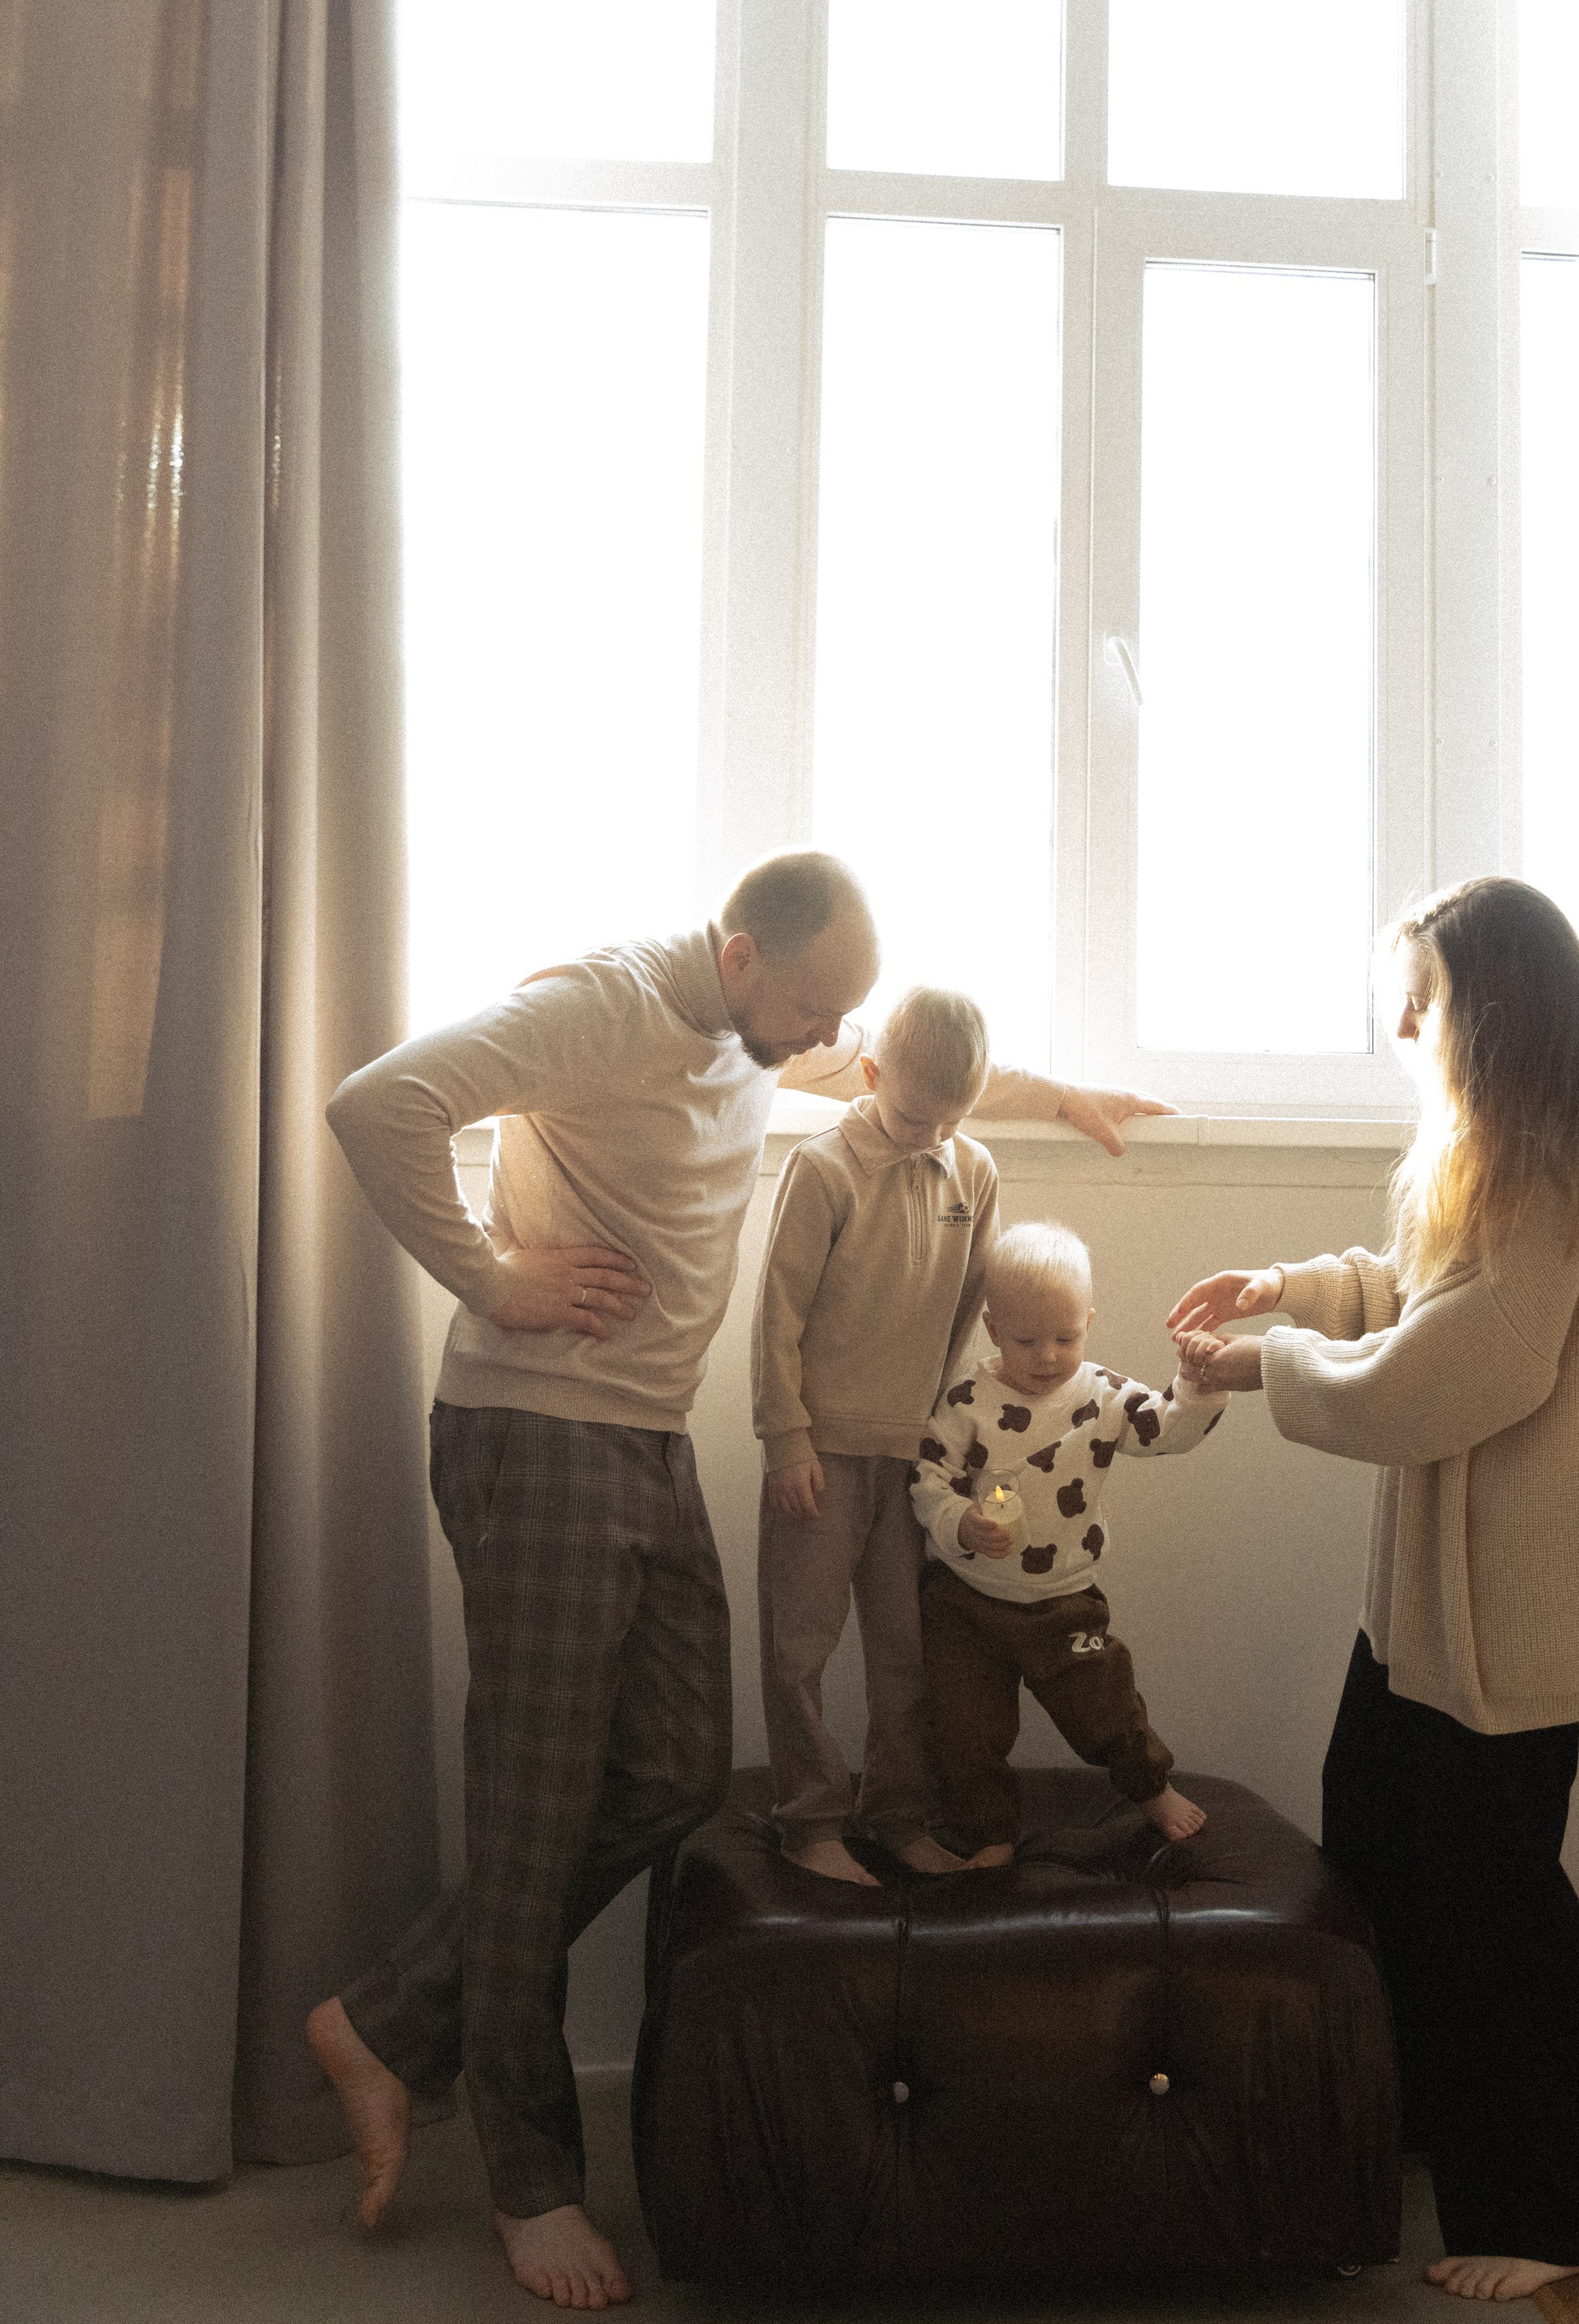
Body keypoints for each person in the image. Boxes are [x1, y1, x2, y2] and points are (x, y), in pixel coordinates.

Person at [305, 849, 1168, 2313]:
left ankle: (387, 2018)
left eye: (845, 1015)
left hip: (636, 1444)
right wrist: (488, 1275)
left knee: (672, 1770)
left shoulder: (754, 1024)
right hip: (537, 1426)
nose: (821, 1041)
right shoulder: (602, 1004)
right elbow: (375, 1102)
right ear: (738, 950)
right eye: (811, 1009)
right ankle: (528, 2178)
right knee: (534, 1807)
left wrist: (1057, 1095)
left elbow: (885, 1070)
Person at [1169, 877, 1579, 2307]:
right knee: (1380, 1846)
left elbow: (1448, 1379)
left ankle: (1548, 2210)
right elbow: (1411, 1295)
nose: (1400, 1024)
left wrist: (1260, 1369)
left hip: (1504, 1608)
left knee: (1491, 1905)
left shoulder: (1554, 1169)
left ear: (1496, 1009)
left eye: (1425, 998)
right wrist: (1285, 1289)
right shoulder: (1487, 1146)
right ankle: (1412, 2125)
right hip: (1423, 1611)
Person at [754, 986, 999, 1885]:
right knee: (799, 1647)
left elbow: (966, 1312)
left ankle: (898, 1814)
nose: (930, 1135)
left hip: (915, 1462)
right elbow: (777, 1315)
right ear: (870, 1075)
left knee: (907, 1652)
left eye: (950, 1120)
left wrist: (953, 1439)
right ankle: (811, 1821)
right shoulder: (824, 1169)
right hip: (816, 1455)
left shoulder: (972, 1172)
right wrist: (785, 1438)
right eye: (913, 1116)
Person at [910, 1220, 1226, 1865]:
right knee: (963, 1729)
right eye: (1027, 1340)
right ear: (995, 1331)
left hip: (1063, 1598)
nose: (1049, 1355)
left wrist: (1195, 1385)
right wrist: (958, 1522)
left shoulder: (1105, 1397)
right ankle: (989, 1835)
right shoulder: (968, 1399)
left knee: (1104, 1703)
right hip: (965, 1601)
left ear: (1088, 1321)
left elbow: (1167, 1431)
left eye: (1066, 1337)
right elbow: (925, 1474)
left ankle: (1149, 1788)